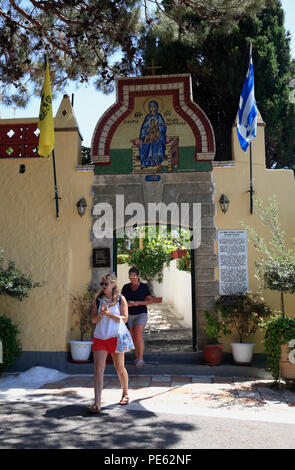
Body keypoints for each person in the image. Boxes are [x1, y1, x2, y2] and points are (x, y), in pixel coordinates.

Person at [88, 273, 134, 414]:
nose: (103, 286)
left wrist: (109, 315)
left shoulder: (120, 299)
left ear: (113, 284)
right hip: (100, 337)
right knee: (98, 370)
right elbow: (93, 320)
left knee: (119, 367)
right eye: (102, 284)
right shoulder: (98, 299)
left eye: (106, 284)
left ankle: (125, 394)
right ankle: (97, 403)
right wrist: (101, 314)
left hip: (116, 337)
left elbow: (125, 319)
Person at [121, 267, 153, 368]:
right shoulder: (126, 287)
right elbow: (121, 301)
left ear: (138, 276)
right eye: (130, 276)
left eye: (134, 276)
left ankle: (140, 358)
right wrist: (127, 304)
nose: (132, 278)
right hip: (129, 314)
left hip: (141, 314)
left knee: (138, 335)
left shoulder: (144, 287)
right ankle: (136, 357)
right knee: (132, 337)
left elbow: (149, 301)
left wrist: (137, 303)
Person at [139, 100, 166, 168]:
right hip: (149, 135)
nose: (152, 108)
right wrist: (147, 130)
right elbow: (144, 127)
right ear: (149, 108)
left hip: (157, 134)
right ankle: (147, 162)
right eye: (151, 107)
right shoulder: (148, 117)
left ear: (156, 107)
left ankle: (156, 160)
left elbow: (163, 127)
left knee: (157, 141)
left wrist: (158, 127)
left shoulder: (159, 116)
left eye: (154, 106)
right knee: (145, 144)